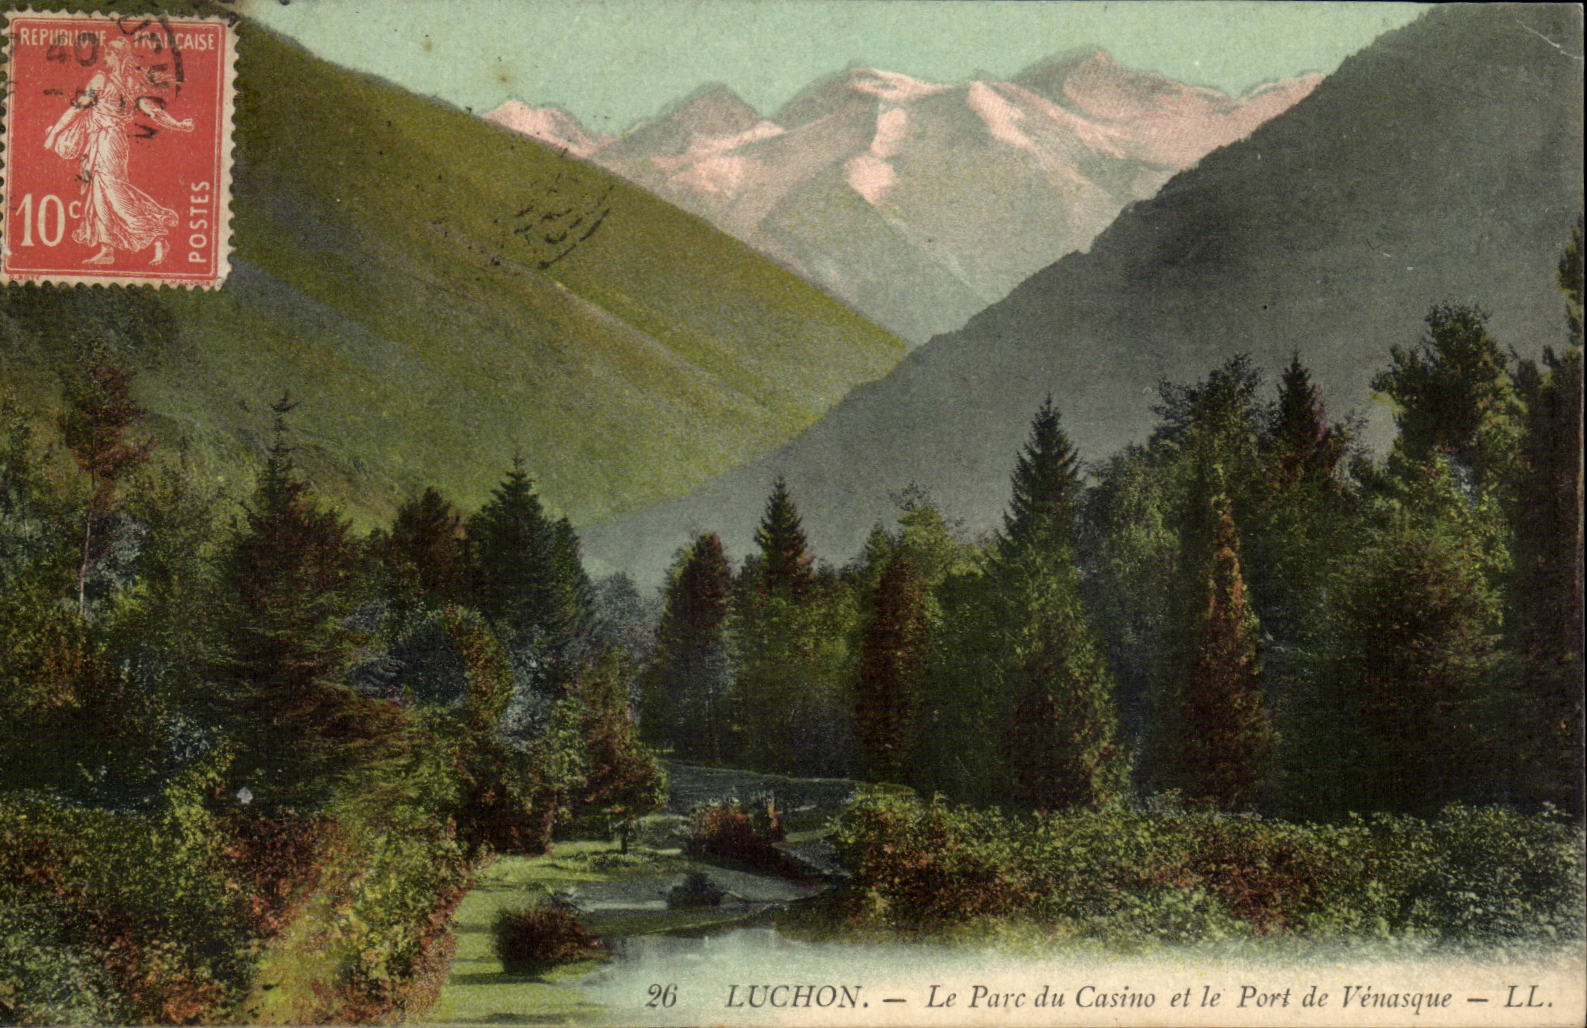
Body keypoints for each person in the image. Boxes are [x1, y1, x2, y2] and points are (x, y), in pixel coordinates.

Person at [43, 36, 194, 266]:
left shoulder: (102, 80)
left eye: (110, 54)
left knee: (113, 193)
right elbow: (155, 112)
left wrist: (55, 133)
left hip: (107, 141)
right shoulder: (133, 85)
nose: (105, 58)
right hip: (109, 141)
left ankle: (156, 234)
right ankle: (107, 249)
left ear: (119, 57)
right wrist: (179, 124)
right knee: (100, 193)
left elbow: (77, 109)